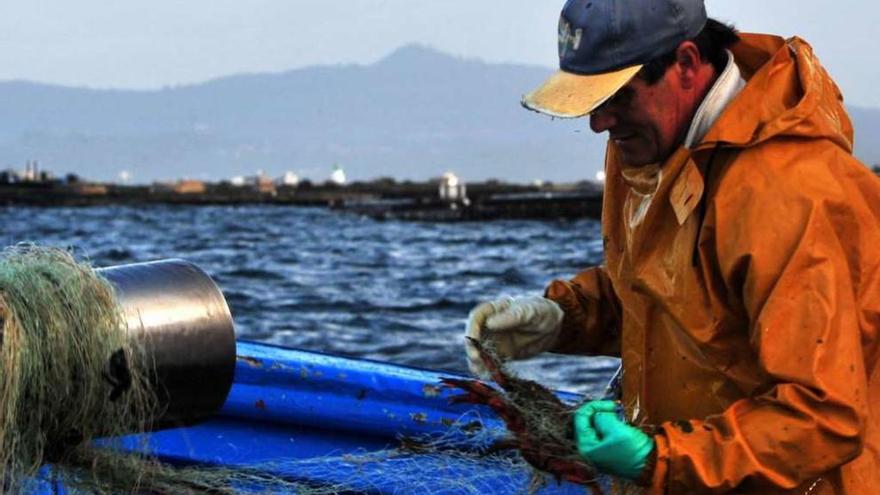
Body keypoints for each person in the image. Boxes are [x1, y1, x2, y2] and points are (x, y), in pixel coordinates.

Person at [464, 0, 880, 493]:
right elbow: (681, 298)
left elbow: (822, 416)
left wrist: (657, 458)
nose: (600, 122)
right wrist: (562, 317)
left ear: (685, 63)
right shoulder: (651, 144)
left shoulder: (787, 192)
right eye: (592, 100)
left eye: (616, 95)